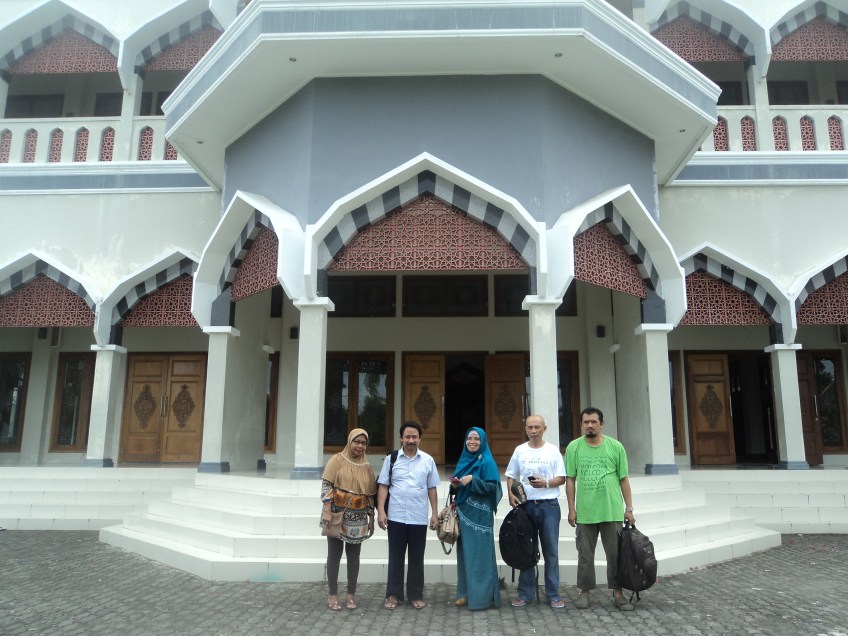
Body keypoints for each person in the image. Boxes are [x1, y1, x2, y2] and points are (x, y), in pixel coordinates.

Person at [565, 406, 636, 612]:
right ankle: (585, 592)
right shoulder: (573, 447)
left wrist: (629, 508)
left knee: (615, 555)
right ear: (581, 425)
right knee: (585, 554)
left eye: (594, 422)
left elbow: (624, 479)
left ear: (601, 424)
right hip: (585, 512)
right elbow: (570, 480)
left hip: (611, 510)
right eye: (586, 422)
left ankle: (618, 593)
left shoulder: (615, 447)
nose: (590, 425)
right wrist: (571, 509)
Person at [504, 414, 567, 609]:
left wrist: (546, 483)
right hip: (526, 507)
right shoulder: (519, 451)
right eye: (530, 427)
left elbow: (562, 478)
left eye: (537, 427)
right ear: (525, 429)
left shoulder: (553, 451)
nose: (533, 430)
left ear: (544, 429)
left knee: (551, 551)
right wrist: (510, 494)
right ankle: (525, 593)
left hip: (549, 506)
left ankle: (553, 594)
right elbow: (511, 476)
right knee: (526, 550)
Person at [376, 420, 440, 610]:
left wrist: (435, 513)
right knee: (395, 556)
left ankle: (415, 595)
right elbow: (383, 485)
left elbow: (432, 489)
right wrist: (381, 511)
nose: (411, 440)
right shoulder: (392, 459)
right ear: (401, 438)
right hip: (395, 516)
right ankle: (393, 595)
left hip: (418, 517)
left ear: (419, 438)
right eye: (407, 436)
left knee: (416, 558)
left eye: (414, 437)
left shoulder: (428, 460)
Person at [320, 428, 377, 611]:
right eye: (356, 442)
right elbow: (327, 485)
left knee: (354, 557)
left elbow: (370, 495)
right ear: (350, 442)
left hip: (358, 519)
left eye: (363, 443)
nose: (360, 446)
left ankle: (350, 595)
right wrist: (327, 510)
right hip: (337, 515)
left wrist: (371, 518)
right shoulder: (337, 460)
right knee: (334, 555)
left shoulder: (367, 467)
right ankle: (333, 594)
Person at [450, 427, 503, 610]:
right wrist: (455, 485)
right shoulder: (464, 459)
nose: (472, 442)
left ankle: (482, 597)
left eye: (476, 439)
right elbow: (456, 488)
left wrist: (473, 479)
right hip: (464, 514)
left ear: (482, 442)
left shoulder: (487, 462)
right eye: (469, 438)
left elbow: (492, 488)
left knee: (480, 556)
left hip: (480, 517)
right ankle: (465, 593)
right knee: (465, 555)